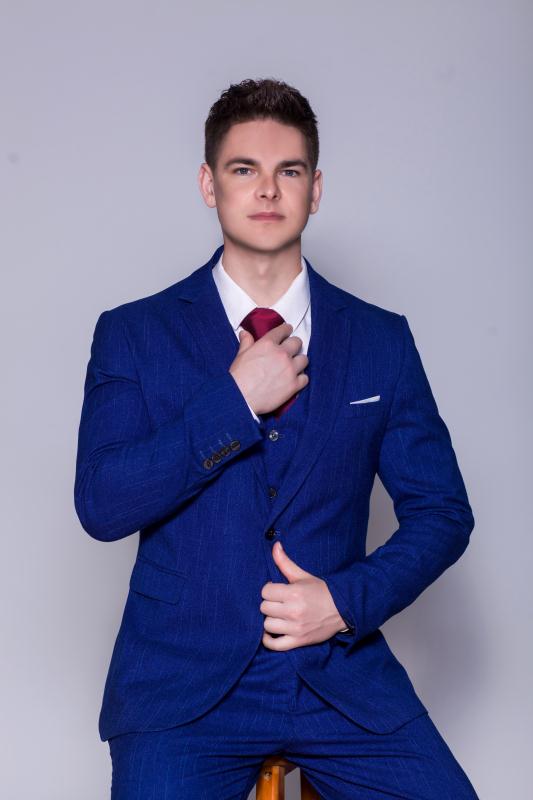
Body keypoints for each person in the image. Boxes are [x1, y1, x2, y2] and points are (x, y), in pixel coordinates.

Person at [74, 78, 479, 798]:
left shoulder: (380, 340)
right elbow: (103, 504)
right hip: (183, 689)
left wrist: (345, 601)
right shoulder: (133, 334)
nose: (266, 190)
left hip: (339, 677)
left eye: (288, 170)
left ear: (314, 190)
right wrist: (233, 401)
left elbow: (443, 513)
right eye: (243, 169)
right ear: (209, 184)